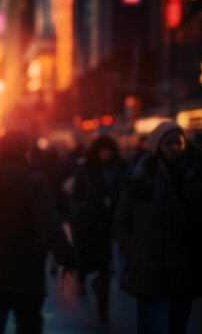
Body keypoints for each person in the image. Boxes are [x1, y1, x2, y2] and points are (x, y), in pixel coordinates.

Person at [0, 130, 77, 334]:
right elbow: (48, 226)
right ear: (26, 151)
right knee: (28, 327)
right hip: (26, 274)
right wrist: (67, 258)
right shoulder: (35, 182)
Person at [114, 121, 202, 334]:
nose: (173, 148)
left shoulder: (196, 177)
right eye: (167, 143)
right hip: (151, 271)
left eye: (178, 142)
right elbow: (120, 223)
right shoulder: (140, 178)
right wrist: (135, 251)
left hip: (185, 270)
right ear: (156, 146)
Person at [70, 135, 127, 323]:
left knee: (105, 269)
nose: (105, 153)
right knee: (94, 263)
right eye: (102, 149)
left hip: (112, 225)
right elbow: (76, 197)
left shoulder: (120, 169)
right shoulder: (86, 170)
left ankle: (103, 306)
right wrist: (81, 216)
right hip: (91, 225)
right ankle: (90, 284)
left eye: (108, 149)